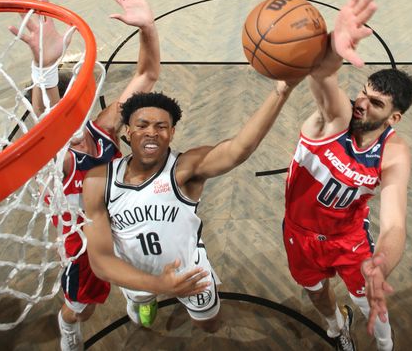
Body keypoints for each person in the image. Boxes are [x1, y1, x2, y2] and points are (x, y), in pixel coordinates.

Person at [9, 0, 207, 351]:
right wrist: (44, 69)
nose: (72, 112)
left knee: (148, 268)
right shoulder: (57, 156)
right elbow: (49, 122)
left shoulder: (102, 128)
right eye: (62, 107)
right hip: (82, 242)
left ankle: (138, 296)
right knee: (81, 309)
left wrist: (148, 29)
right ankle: (68, 327)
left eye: (75, 104)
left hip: (127, 218)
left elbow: (147, 75)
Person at [81, 52, 301, 334]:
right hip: (132, 272)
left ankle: (166, 302)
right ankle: (144, 301)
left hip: (189, 271)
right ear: (127, 131)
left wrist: (280, 92)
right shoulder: (98, 181)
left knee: (209, 325)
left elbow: (237, 149)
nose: (152, 133)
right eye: (142, 125)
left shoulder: (185, 168)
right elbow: (100, 262)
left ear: (172, 133)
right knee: (144, 314)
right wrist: (158, 285)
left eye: (161, 126)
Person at [282, 0, 412, 351]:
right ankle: (335, 326)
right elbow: (323, 80)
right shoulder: (334, 120)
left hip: (348, 238)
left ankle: (386, 346)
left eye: (375, 103)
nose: (362, 104)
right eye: (362, 93)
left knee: (371, 298)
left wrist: (381, 263)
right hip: (301, 232)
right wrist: (332, 51)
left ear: (394, 116)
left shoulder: (394, 152)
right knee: (315, 293)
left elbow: (393, 224)